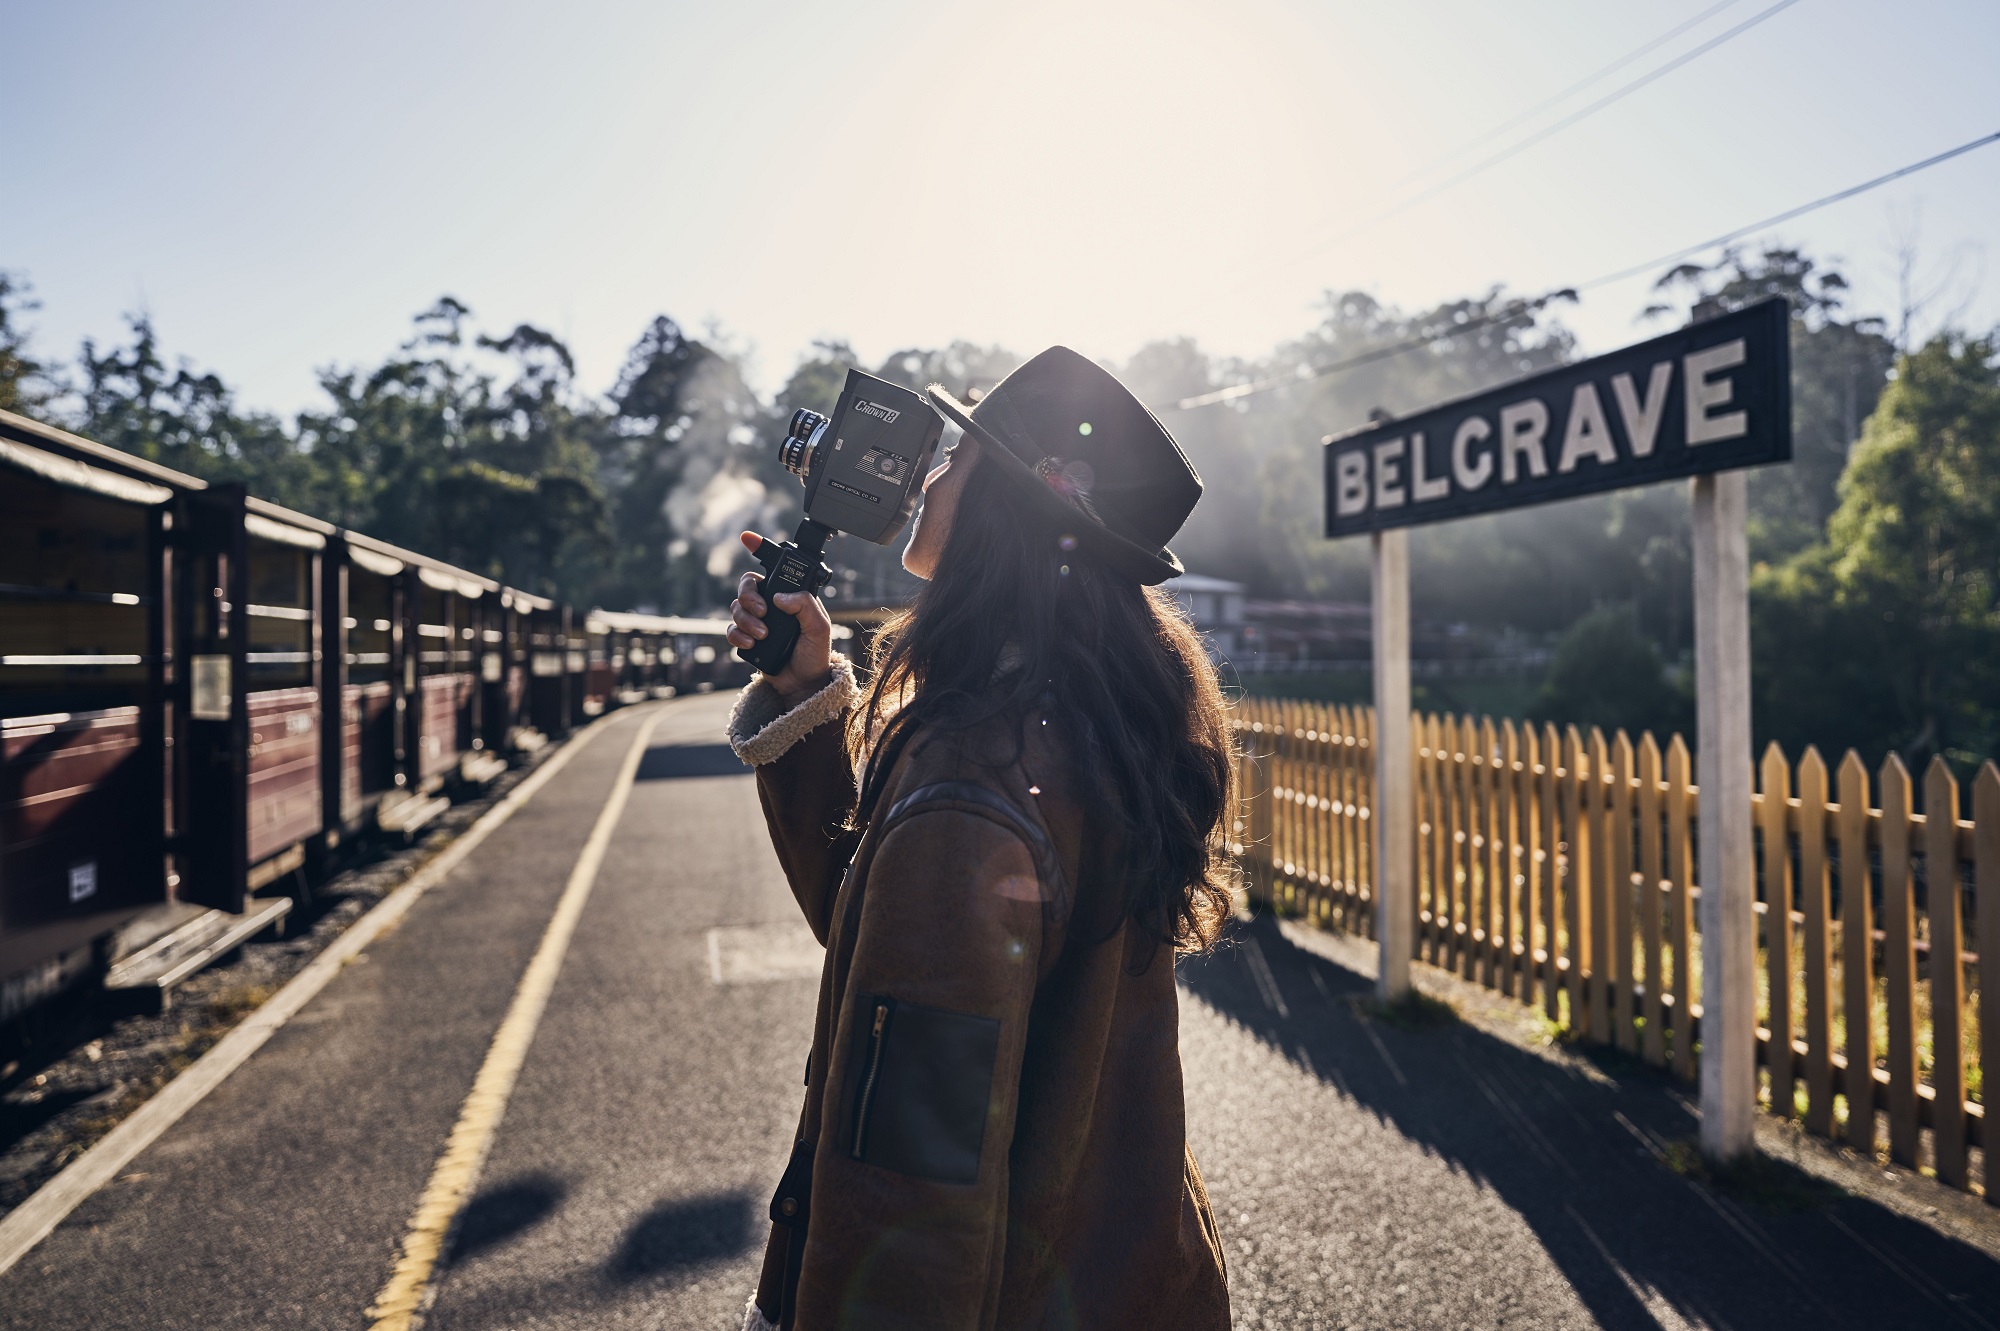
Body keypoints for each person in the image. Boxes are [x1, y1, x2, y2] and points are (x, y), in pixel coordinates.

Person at [724, 347, 1234, 1331]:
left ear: (1002, 500)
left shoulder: (972, 778)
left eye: (956, 456)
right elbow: (900, 939)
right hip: (1124, 1279)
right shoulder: (1083, 722)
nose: (928, 472)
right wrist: (803, 694)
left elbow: (910, 1188)